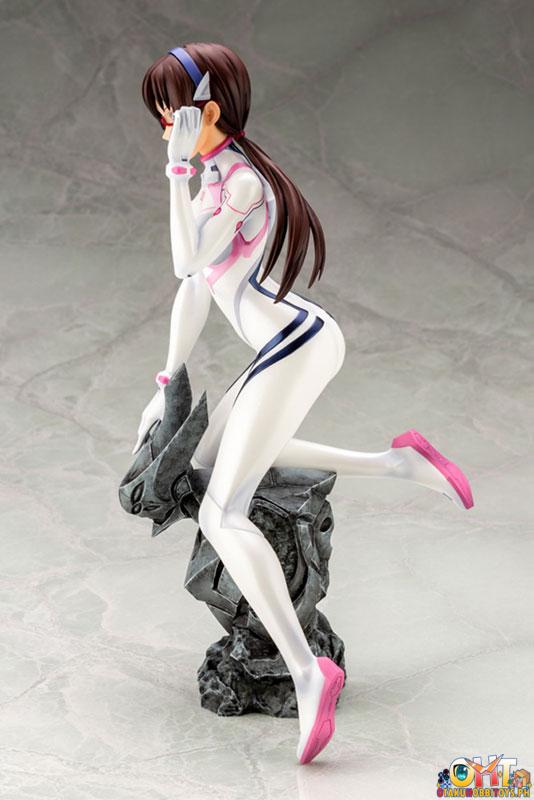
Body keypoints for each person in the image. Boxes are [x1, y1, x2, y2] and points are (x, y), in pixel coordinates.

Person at [134, 42, 474, 765]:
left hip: (298, 344)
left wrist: (175, 169)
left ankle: (305, 669)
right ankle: (398, 463)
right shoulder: (215, 175)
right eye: (162, 117)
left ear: (209, 108)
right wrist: (166, 385)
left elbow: (186, 259)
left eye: (174, 113)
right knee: (210, 460)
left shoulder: (239, 181)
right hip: (285, 345)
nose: (167, 127)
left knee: (222, 512)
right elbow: (193, 289)